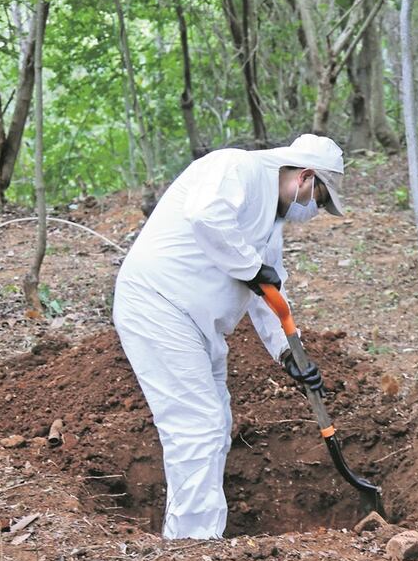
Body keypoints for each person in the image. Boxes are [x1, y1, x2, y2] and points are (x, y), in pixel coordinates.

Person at [112, 134, 345, 539]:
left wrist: (289, 354)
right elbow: (206, 217)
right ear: (305, 176)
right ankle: (192, 549)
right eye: (320, 199)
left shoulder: (271, 224)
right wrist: (253, 269)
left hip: (198, 324)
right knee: (197, 425)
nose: (316, 211)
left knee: (215, 422)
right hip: (158, 306)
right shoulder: (236, 168)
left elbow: (269, 292)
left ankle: (195, 536)